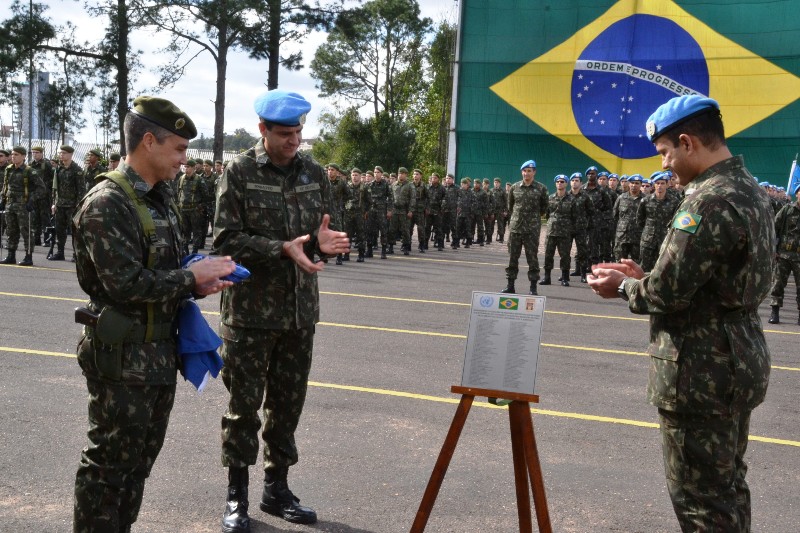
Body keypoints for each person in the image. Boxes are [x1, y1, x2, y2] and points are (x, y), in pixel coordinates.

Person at [588, 94, 774, 532]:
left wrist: (624, 287)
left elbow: (668, 292)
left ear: (688, 142)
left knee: (698, 501)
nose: (667, 164)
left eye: (667, 153)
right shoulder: (749, 190)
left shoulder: (707, 201)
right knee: (726, 487)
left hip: (701, 371)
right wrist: (646, 274)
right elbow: (716, 281)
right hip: (736, 359)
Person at [71, 95, 236, 532]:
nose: (185, 159)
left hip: (157, 356)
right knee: (108, 468)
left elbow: (162, 271)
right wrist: (189, 279)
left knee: (136, 467)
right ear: (149, 141)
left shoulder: (158, 199)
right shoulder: (108, 202)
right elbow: (124, 283)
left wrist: (201, 278)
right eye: (179, 148)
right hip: (123, 358)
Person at [213, 89, 350, 532]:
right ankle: (237, 496)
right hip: (250, 313)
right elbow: (225, 241)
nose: (295, 141)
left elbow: (319, 231)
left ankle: (277, 488)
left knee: (287, 406)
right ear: (263, 130)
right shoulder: (239, 172)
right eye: (286, 134)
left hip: (299, 312)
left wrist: (321, 243)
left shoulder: (313, 172)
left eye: (299, 132)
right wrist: (281, 249)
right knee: (244, 407)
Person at [502, 160, 548, 295]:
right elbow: (510, 206)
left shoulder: (541, 188)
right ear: (521, 171)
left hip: (532, 230)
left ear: (534, 172)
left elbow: (544, 208)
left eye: (529, 170)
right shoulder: (515, 188)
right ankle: (510, 286)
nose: (526, 173)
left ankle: (533, 288)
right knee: (512, 258)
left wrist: (532, 219)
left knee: (532, 258)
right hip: (516, 228)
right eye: (524, 170)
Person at [0, 146, 45, 266]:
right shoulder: (9, 169)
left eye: (17, 155)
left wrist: (32, 199)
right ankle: (11, 255)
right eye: (13, 154)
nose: (13, 157)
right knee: (11, 231)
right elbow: (5, 186)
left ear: (24, 156)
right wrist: (3, 198)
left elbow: (41, 188)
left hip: (23, 206)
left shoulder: (29, 171)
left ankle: (28, 256)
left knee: (26, 232)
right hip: (10, 204)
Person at [768, 183, 800, 324]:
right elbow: (774, 228)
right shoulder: (787, 210)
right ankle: (774, 313)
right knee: (778, 284)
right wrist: (774, 250)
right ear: (797, 194)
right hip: (784, 254)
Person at [637, 171, 680, 272]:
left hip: (665, 239)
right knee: (644, 267)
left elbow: (676, 220)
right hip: (648, 239)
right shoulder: (646, 200)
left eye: (662, 183)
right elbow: (640, 220)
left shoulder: (674, 201)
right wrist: (648, 231)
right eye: (657, 183)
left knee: (663, 268)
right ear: (654, 185)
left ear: (667, 185)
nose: (659, 186)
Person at [540, 174, 576, 286]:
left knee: (565, 256)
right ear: (555, 183)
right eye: (558, 182)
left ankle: (565, 278)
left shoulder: (572, 200)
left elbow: (574, 216)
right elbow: (547, 215)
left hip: (565, 233)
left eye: (562, 182)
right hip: (551, 232)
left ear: (566, 184)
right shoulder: (550, 198)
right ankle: (547, 278)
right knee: (548, 255)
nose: (560, 183)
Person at [50, 145, 83, 261]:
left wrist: (79, 206)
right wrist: (54, 203)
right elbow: (55, 188)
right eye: (60, 153)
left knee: (75, 231)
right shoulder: (59, 169)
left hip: (72, 206)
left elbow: (81, 190)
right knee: (59, 230)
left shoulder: (77, 170)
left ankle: (76, 254)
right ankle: (60, 252)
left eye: (64, 153)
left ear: (70, 154)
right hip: (60, 205)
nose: (61, 155)